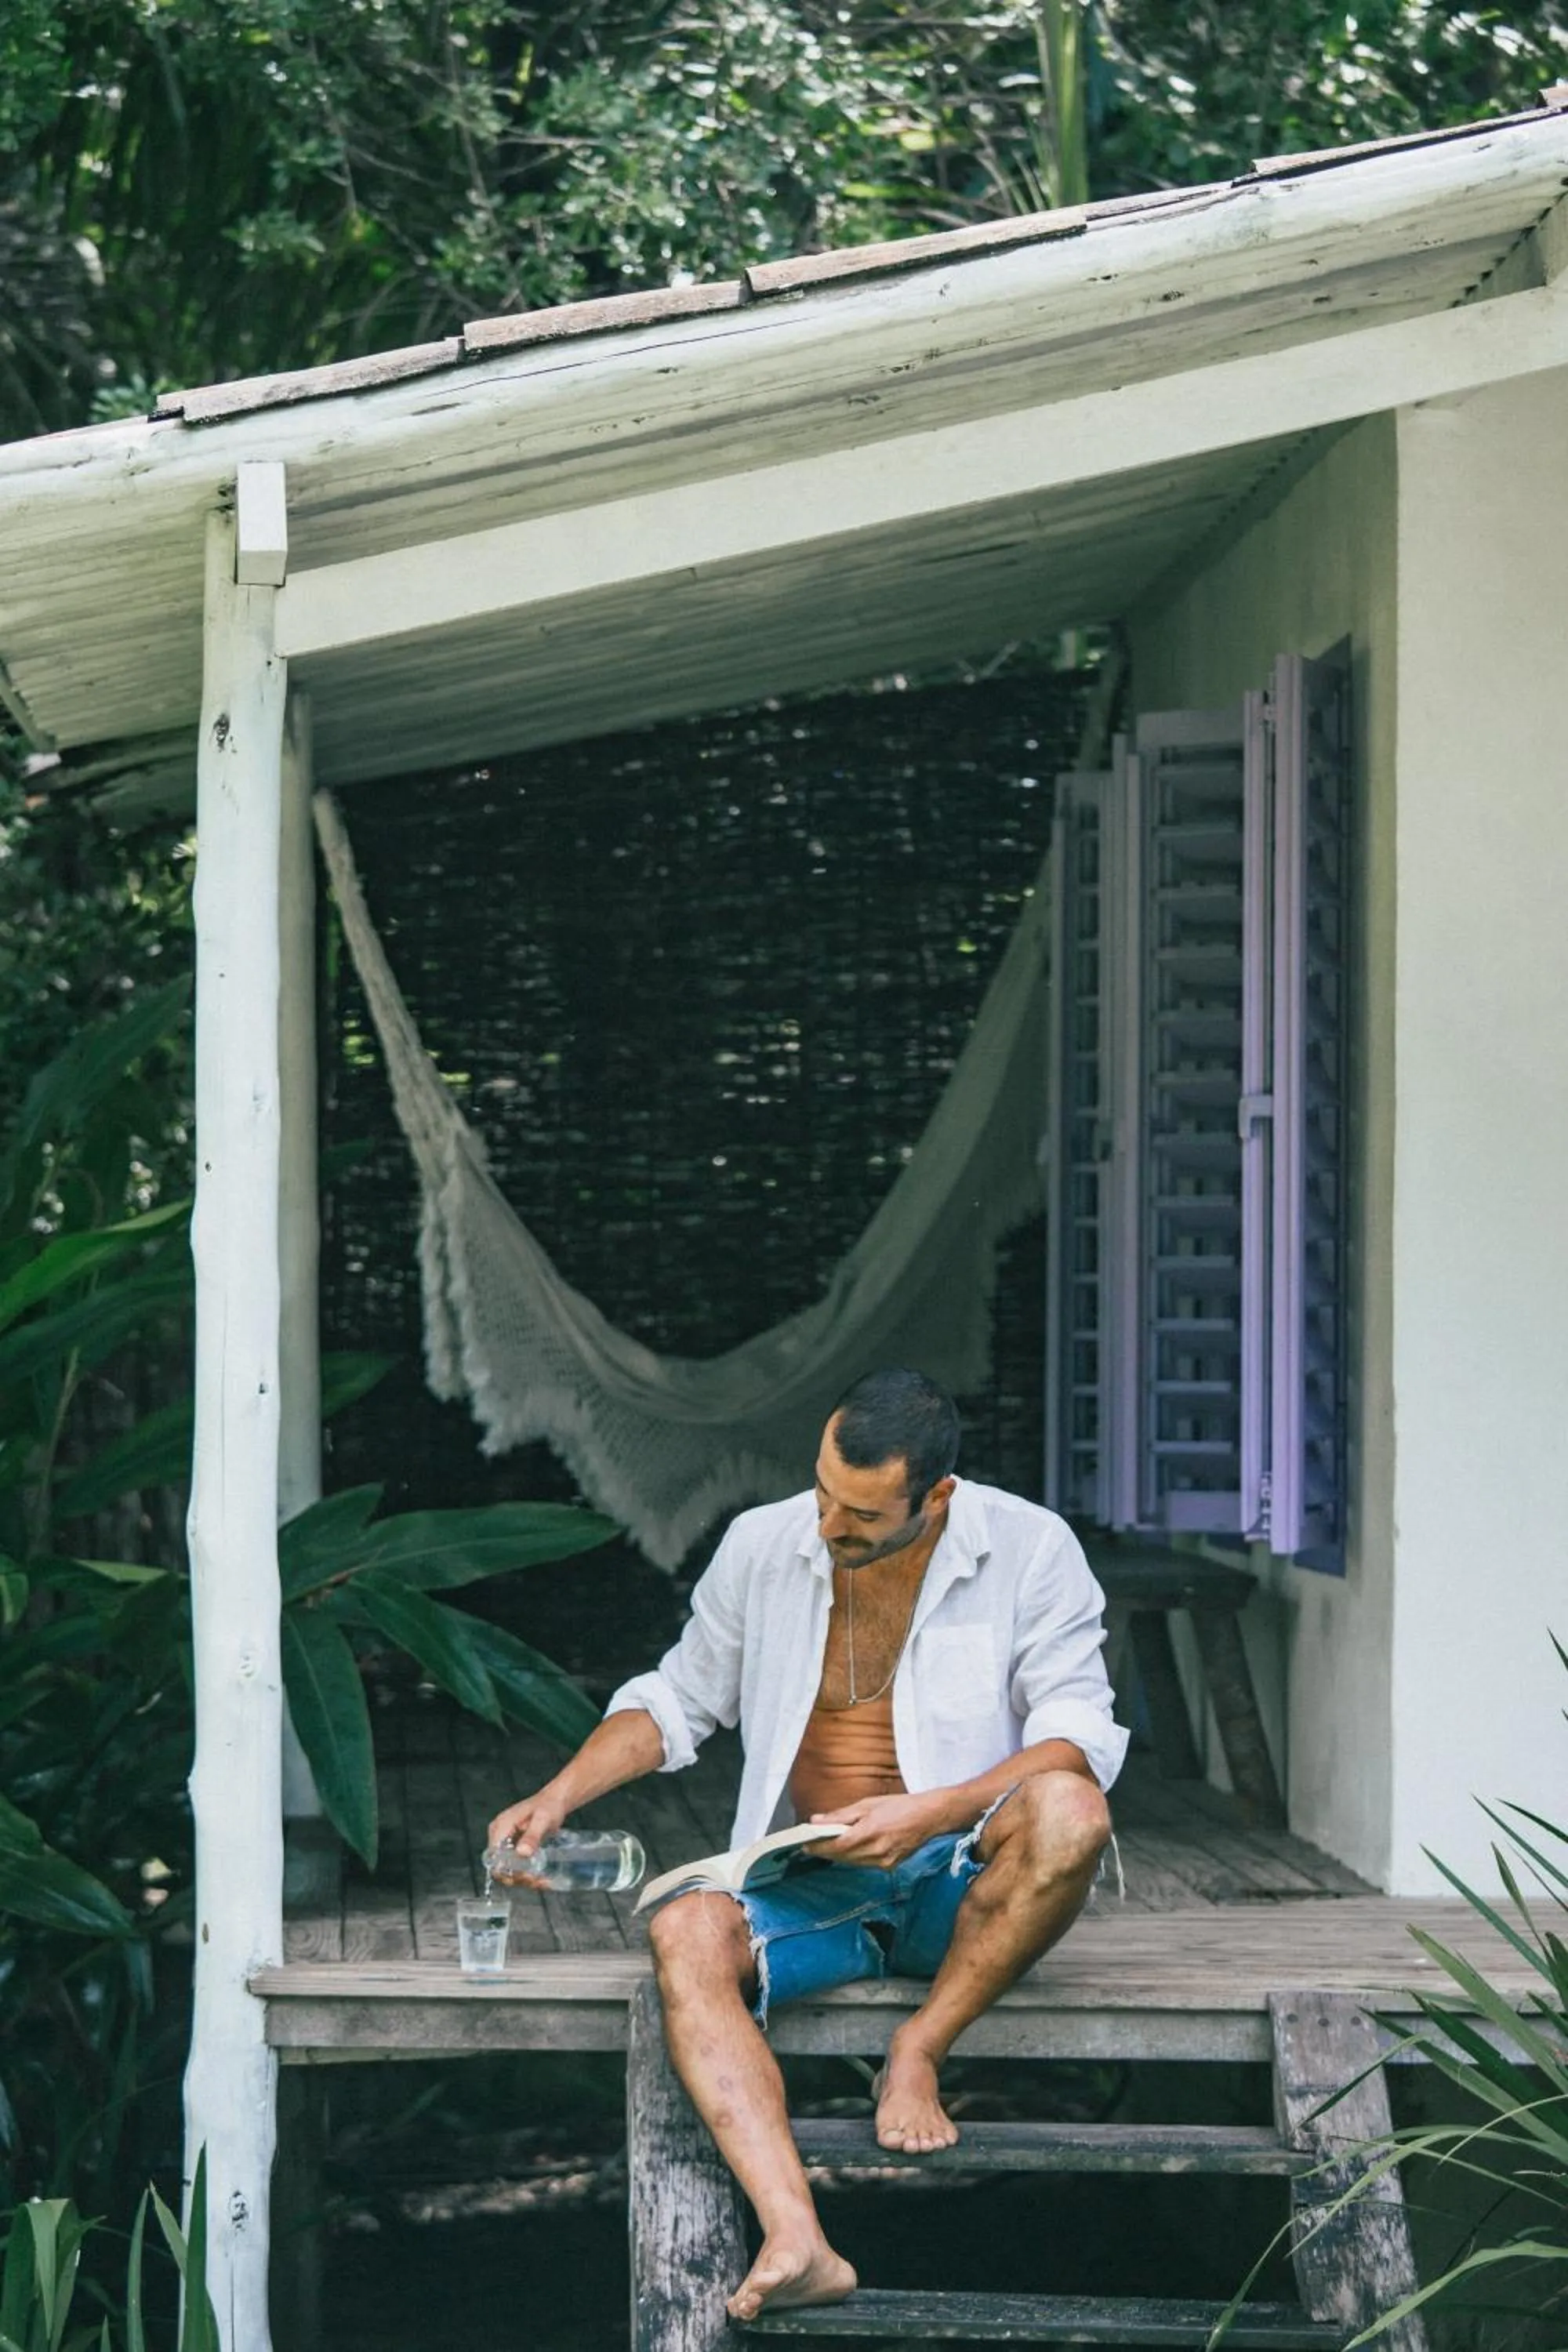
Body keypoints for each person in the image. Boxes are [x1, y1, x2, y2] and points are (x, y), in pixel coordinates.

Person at [488, 1367, 1127, 2323]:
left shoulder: (1031, 1549)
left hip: (962, 1883)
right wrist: (557, 1792)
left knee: (1072, 1808)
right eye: (824, 1493)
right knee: (686, 1933)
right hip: (818, 1879)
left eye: (861, 1515)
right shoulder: (765, 1543)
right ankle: (797, 2236)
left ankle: (920, 2045)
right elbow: (680, 1697)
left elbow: (1082, 1733)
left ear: (935, 1498)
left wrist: (934, 1809)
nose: (829, 1526)